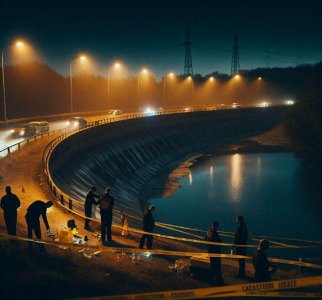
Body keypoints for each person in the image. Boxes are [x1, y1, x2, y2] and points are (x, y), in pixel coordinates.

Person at [206, 221, 224, 285]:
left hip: (211, 251)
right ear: (215, 226)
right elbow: (217, 242)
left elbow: (205, 239)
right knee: (216, 266)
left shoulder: (209, 231)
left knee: (213, 265)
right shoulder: (214, 233)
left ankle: (212, 279)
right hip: (215, 252)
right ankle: (217, 280)